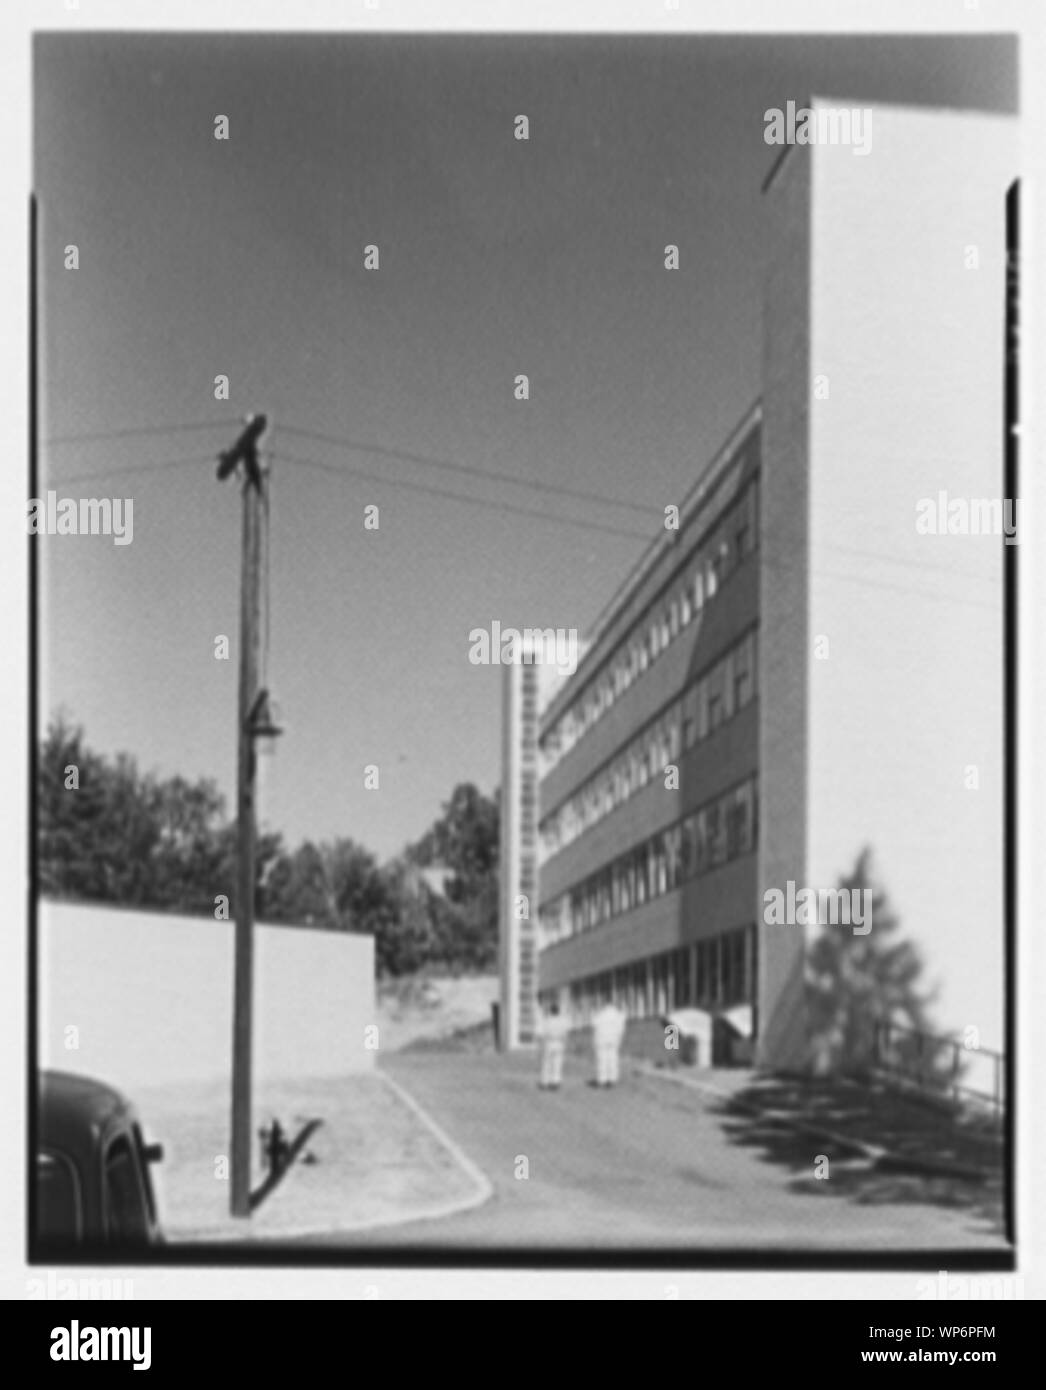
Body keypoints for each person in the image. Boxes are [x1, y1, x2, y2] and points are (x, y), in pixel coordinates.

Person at [592, 1000, 627, 1087]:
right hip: (613, 1039)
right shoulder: (617, 1014)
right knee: (613, 1059)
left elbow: (594, 1023)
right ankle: (612, 1079)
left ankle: (602, 1079)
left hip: (601, 1039)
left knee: (602, 1060)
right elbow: (622, 1024)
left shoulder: (600, 1014)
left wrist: (593, 1011)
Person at [538, 1002, 570, 1090]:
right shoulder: (563, 1021)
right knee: (557, 1063)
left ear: (550, 1011)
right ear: (558, 1011)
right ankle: (555, 1082)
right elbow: (565, 1034)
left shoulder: (546, 1020)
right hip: (559, 1042)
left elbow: (541, 1034)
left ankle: (545, 1082)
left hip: (549, 1042)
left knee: (546, 1063)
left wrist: (541, 1045)